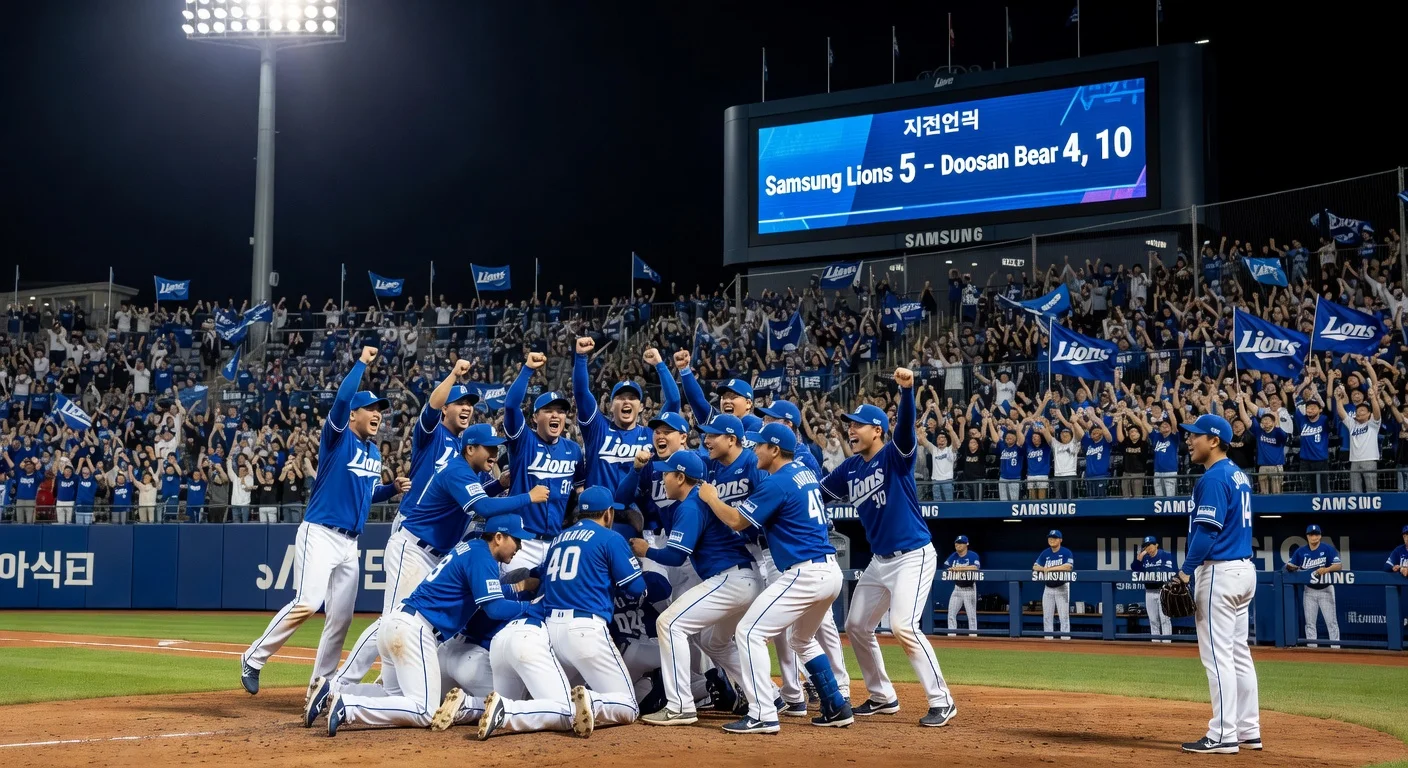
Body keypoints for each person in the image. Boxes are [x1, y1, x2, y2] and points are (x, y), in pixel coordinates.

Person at [240, 347, 410, 710]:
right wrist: (362, 363)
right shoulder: (337, 437)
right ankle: (253, 658)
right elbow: (343, 396)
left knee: (341, 619)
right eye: (372, 409)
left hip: (351, 543)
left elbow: (364, 496)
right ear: (354, 415)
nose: (378, 415)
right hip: (320, 532)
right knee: (308, 602)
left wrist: (390, 490)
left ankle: (321, 686)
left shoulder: (375, 454)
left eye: (381, 410)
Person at [327, 362, 481, 695]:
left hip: (438, 549)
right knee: (395, 618)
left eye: (471, 404)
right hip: (413, 532)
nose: (467, 408)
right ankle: (337, 684)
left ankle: (388, 684)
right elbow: (431, 406)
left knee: (409, 620)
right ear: (446, 410)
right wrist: (452, 375)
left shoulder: (467, 453)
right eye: (460, 402)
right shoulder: (433, 434)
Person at [821, 367, 956, 727]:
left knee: (903, 626)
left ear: (877, 430)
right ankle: (882, 696)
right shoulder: (849, 468)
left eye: (857, 425)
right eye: (849, 424)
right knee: (857, 624)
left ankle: (942, 701)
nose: (850, 429)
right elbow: (815, 495)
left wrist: (907, 391)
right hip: (880, 562)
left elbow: (907, 429)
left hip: (913, 554)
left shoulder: (894, 458)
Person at [697, 422, 853, 734]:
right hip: (828, 571)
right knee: (801, 639)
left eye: (760, 445)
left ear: (775, 450)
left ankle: (763, 713)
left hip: (805, 572)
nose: (755, 450)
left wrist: (713, 498)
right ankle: (836, 704)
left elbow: (739, 521)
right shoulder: (803, 473)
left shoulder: (777, 481)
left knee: (748, 633)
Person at [318, 515, 537, 735]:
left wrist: (517, 588)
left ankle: (330, 691)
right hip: (415, 631)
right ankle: (347, 706)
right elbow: (495, 608)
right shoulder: (483, 558)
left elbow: (485, 593)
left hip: (397, 623)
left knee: (396, 697)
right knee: (424, 710)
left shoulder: (473, 549)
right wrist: (532, 607)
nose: (519, 546)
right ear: (498, 537)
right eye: (516, 540)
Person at [476, 486, 646, 740]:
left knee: (554, 701)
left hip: (551, 631)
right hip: (586, 628)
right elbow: (637, 588)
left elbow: (539, 575)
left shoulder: (558, 539)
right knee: (628, 706)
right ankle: (590, 701)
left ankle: (499, 709)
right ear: (609, 514)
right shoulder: (610, 538)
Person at [632, 450, 761, 725]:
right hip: (745, 578)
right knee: (713, 641)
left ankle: (680, 705)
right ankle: (769, 696)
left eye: (666, 473)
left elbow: (676, 556)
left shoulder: (690, 506)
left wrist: (647, 551)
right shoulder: (696, 502)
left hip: (730, 579)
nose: (662, 477)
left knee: (669, 623)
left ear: (681, 477)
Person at [1177, 413, 1260, 754]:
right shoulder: (1238, 475)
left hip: (1220, 574)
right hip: (1244, 571)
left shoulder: (1213, 477)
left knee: (1218, 658)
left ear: (1213, 440)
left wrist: (1184, 571)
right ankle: (1248, 729)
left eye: (1195, 435)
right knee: (1239, 654)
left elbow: (1207, 532)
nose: (1188, 440)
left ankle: (1223, 734)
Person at [503, 352, 586, 569]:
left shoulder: (573, 450)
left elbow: (579, 490)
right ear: (534, 417)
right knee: (515, 595)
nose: (556, 416)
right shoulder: (523, 441)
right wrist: (527, 369)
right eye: (548, 411)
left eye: (560, 412)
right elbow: (511, 406)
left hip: (556, 542)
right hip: (521, 542)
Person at [574, 341, 680, 490]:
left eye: (632, 398)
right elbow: (581, 393)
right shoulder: (597, 428)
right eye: (620, 398)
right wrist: (580, 357)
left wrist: (659, 364)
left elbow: (674, 401)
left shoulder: (651, 433)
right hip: (600, 510)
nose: (626, 402)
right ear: (610, 406)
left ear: (641, 407)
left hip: (638, 510)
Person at [1286, 524, 1342, 649]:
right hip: (1309, 590)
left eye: (1316, 534)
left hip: (1326, 589)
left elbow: (1338, 566)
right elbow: (1289, 566)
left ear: (1320, 536)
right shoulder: (1301, 552)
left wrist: (1327, 569)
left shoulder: (1327, 549)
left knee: (1331, 623)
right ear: (1307, 536)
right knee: (1310, 624)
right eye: (1311, 534)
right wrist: (1294, 567)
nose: (1314, 537)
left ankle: (1336, 651)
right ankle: (1312, 651)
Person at [1131, 535, 1176, 642]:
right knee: (1153, 620)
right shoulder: (1144, 558)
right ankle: (1155, 645)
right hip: (1149, 591)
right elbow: (1134, 568)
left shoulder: (1165, 555)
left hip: (1163, 591)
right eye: (1145, 546)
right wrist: (1139, 559)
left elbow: (1170, 571)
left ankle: (1167, 645)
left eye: (1150, 545)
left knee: (1165, 619)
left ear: (1156, 545)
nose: (1148, 548)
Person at [1033, 530, 1074, 640]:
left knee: (1064, 616)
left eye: (1055, 538)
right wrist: (1043, 569)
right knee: (1047, 616)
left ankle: (1065, 640)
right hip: (1048, 588)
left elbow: (1068, 567)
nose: (1051, 539)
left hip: (1062, 587)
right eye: (1050, 537)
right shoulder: (1045, 553)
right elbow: (1035, 566)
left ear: (1060, 540)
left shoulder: (1066, 552)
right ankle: (1048, 640)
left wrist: (1049, 569)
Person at [944, 535, 980, 637]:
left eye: (960, 543)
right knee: (951, 614)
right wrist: (952, 569)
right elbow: (946, 566)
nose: (958, 545)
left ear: (966, 544)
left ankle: (973, 638)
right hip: (957, 588)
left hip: (969, 588)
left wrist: (959, 568)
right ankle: (951, 637)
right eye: (956, 543)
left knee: (971, 616)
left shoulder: (973, 555)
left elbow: (975, 567)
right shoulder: (953, 556)